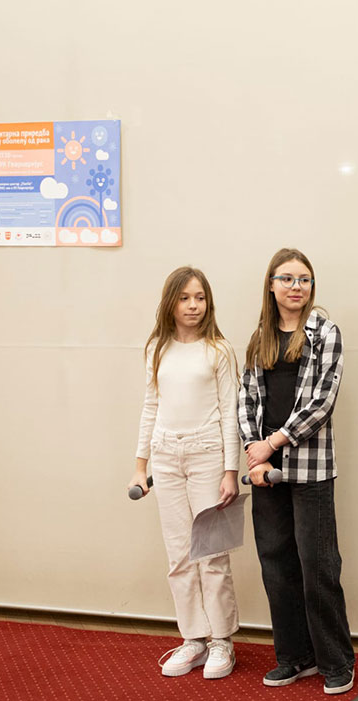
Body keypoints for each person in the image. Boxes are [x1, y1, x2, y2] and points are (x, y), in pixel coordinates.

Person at [239, 247, 356, 695]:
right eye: (286, 279)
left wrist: (272, 443)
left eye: (304, 279)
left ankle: (337, 661)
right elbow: (247, 398)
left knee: (318, 566)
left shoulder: (325, 332)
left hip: (310, 470)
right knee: (277, 566)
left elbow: (322, 403)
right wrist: (254, 451)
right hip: (264, 469)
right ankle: (295, 657)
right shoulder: (260, 337)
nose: (296, 287)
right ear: (271, 286)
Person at [130, 266, 241, 680]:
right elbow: (150, 406)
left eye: (200, 298)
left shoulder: (219, 350)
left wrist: (230, 470)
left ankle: (221, 640)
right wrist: (140, 466)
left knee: (210, 553)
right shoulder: (157, 349)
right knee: (179, 554)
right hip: (166, 456)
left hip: (207, 454)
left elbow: (230, 413)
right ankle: (193, 638)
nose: (193, 306)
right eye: (184, 298)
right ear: (170, 303)